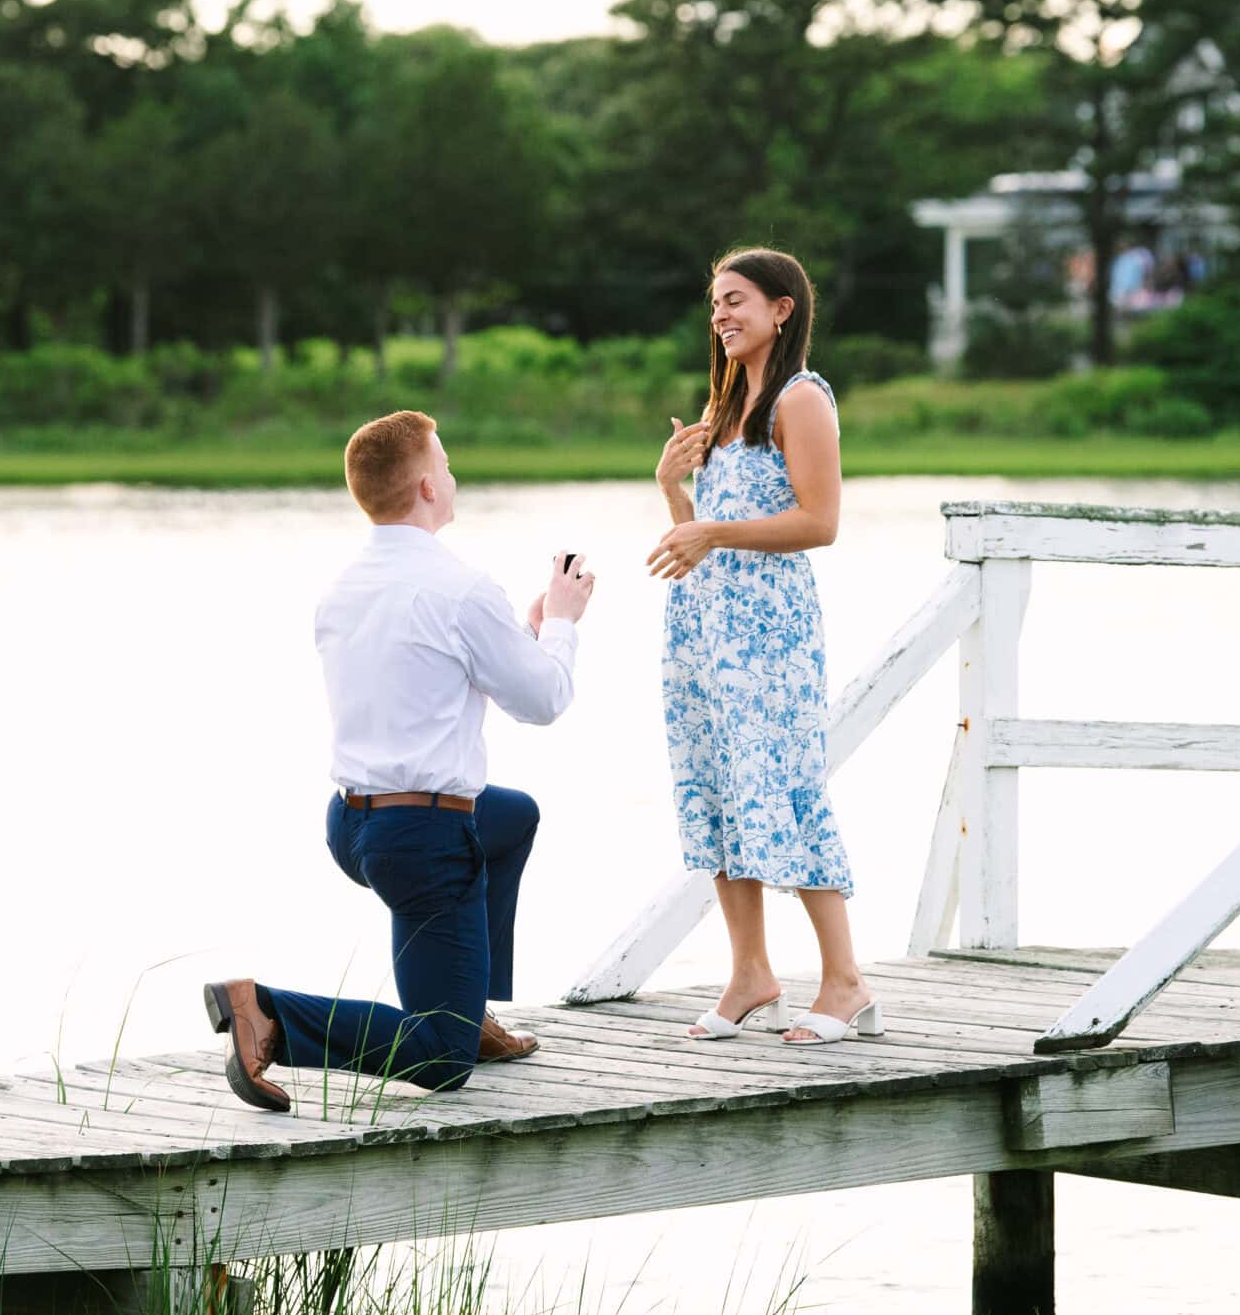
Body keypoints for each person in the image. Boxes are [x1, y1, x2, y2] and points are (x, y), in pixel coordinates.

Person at [203, 410, 595, 1112]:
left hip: (352, 826)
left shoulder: (343, 589)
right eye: (444, 465)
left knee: (511, 817)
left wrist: (526, 634)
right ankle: (267, 1013)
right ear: (423, 488)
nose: (453, 475)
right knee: (437, 1057)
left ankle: (470, 1011)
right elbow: (543, 701)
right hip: (420, 839)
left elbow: (426, 672)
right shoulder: (462, 589)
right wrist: (562, 621)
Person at [649, 247, 881, 1046]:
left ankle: (846, 983)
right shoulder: (722, 409)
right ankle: (751, 974)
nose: (720, 315)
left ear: (782, 309)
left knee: (785, 787)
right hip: (702, 628)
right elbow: (697, 539)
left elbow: (820, 522)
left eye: (737, 299)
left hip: (769, 634)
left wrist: (711, 527)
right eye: (714, 302)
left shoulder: (801, 398)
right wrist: (673, 488)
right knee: (714, 786)